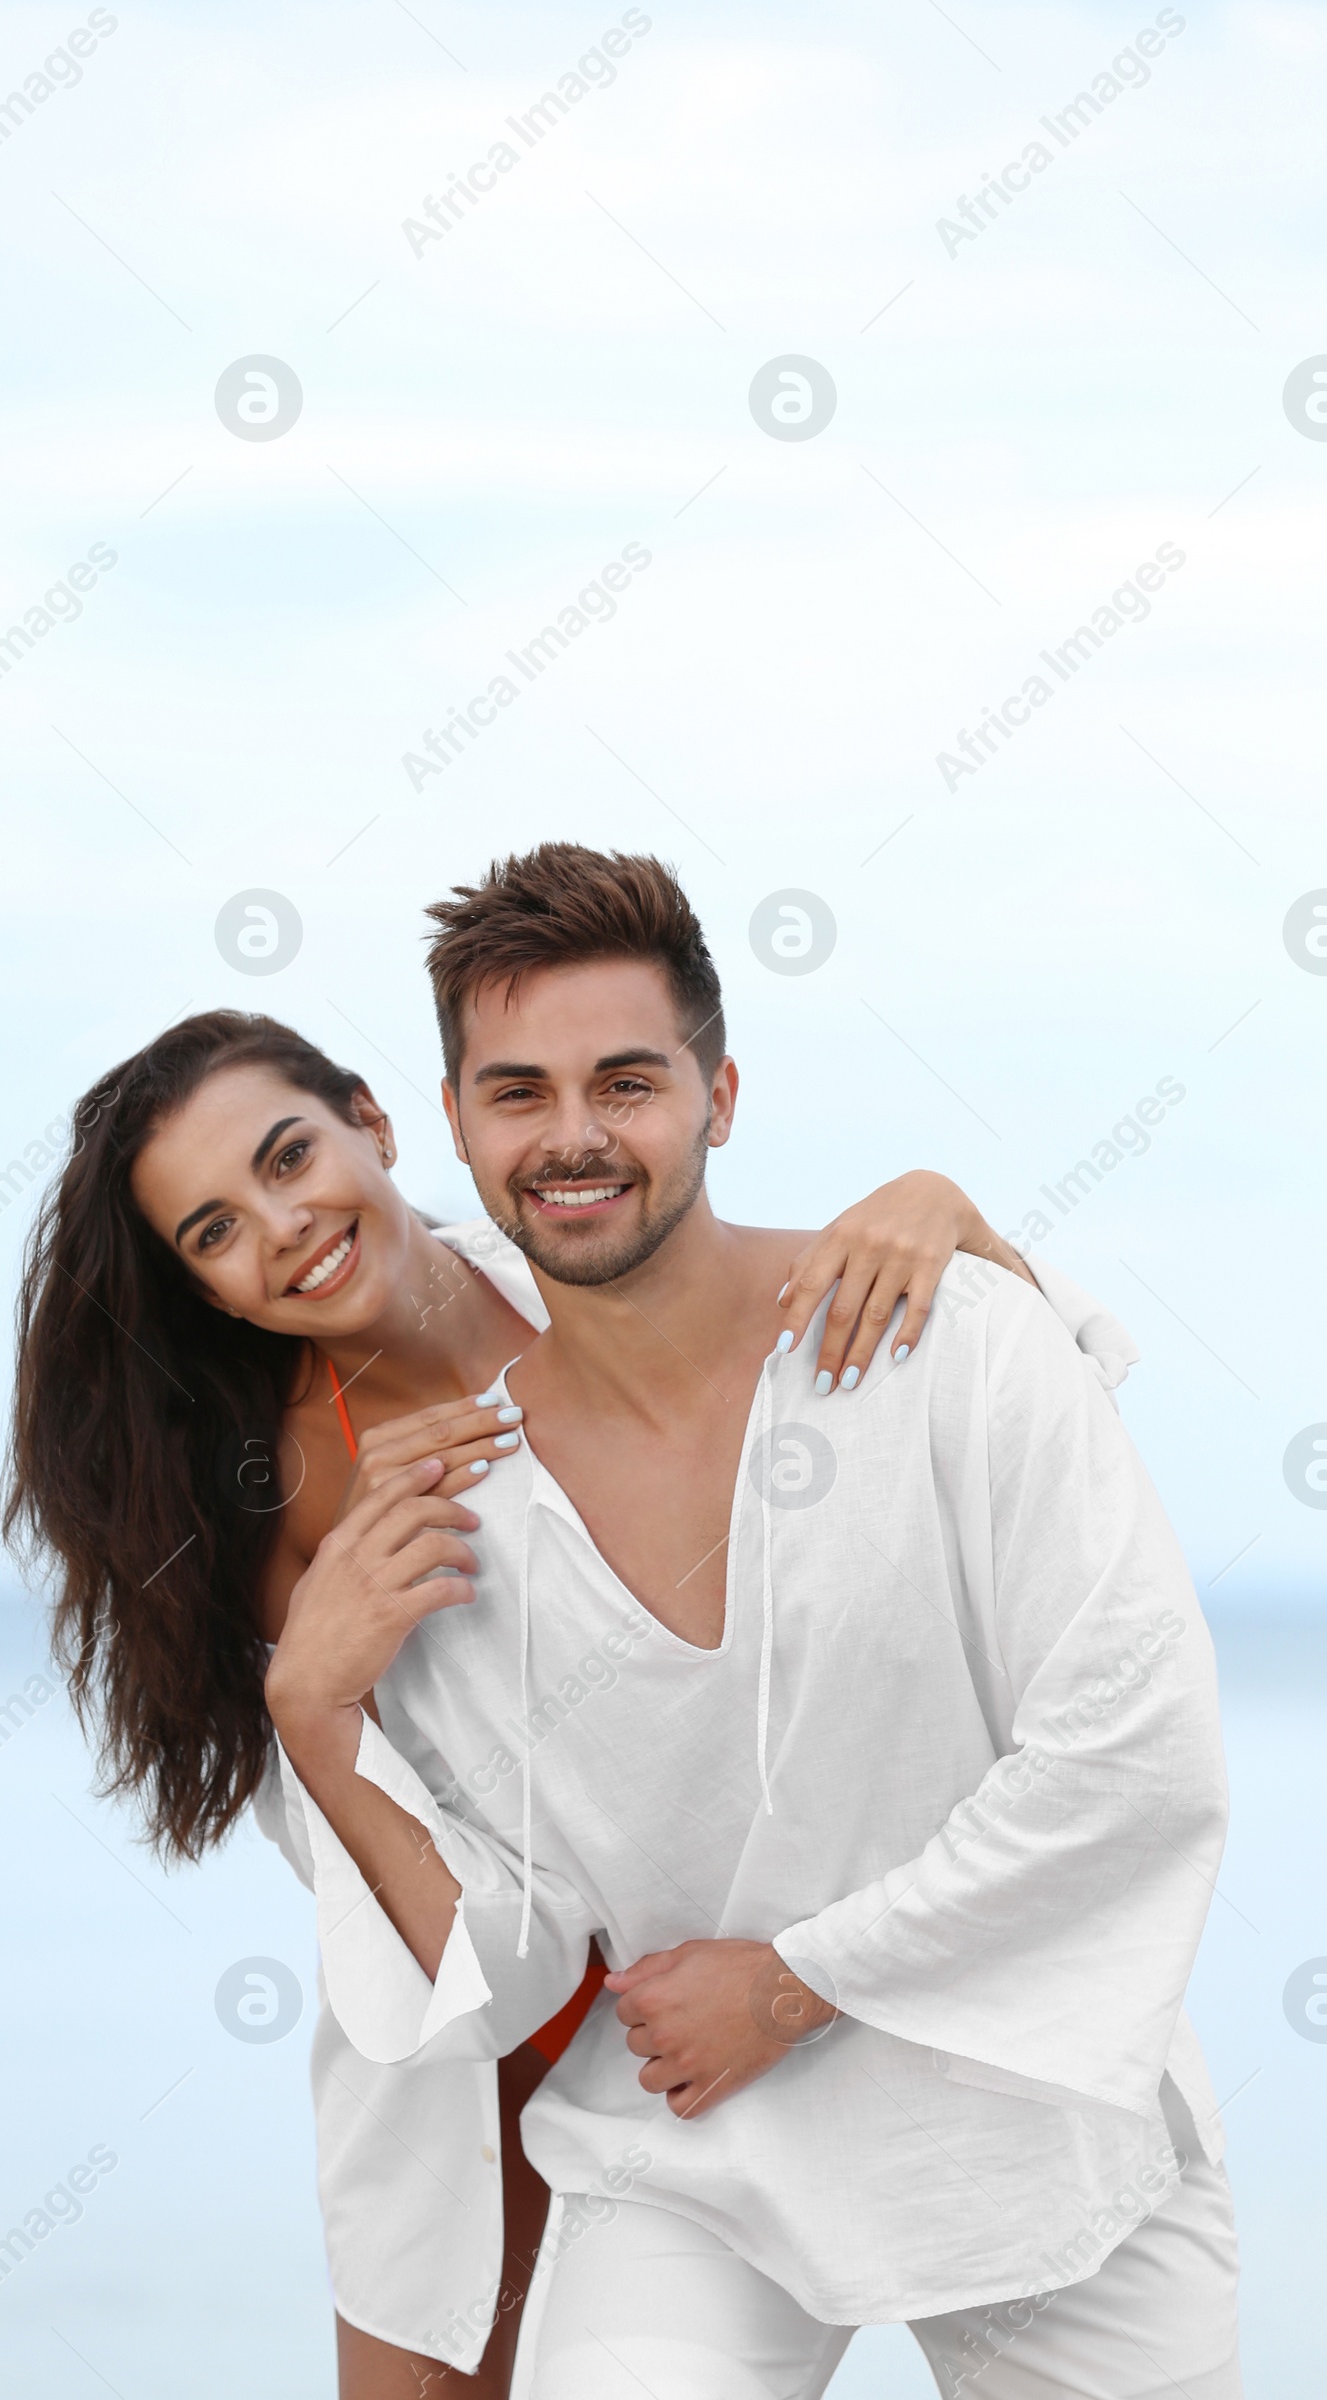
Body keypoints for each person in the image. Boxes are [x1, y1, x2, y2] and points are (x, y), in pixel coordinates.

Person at [3, 995, 1123, 2398]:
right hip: (493, 2020)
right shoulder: (293, 1494)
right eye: (214, 1231)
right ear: (208, 1293)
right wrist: (306, 1697)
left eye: (285, 1159)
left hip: (748, 1968)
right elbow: (359, 1832)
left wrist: (943, 1210)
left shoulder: (584, 1268)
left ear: (375, 1117)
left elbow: (1022, 1411)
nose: (278, 1226)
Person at [266, 845, 1241, 2399]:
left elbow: (1140, 1761)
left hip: (1035, 2111)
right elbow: (515, 1958)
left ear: (720, 1097)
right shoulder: (457, 1518)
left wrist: (799, 1981)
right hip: (693, 2152)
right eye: (517, 1092)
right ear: (453, 1124)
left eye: (627, 1082)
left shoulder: (958, 1339)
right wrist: (311, 1721)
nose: (574, 1136)